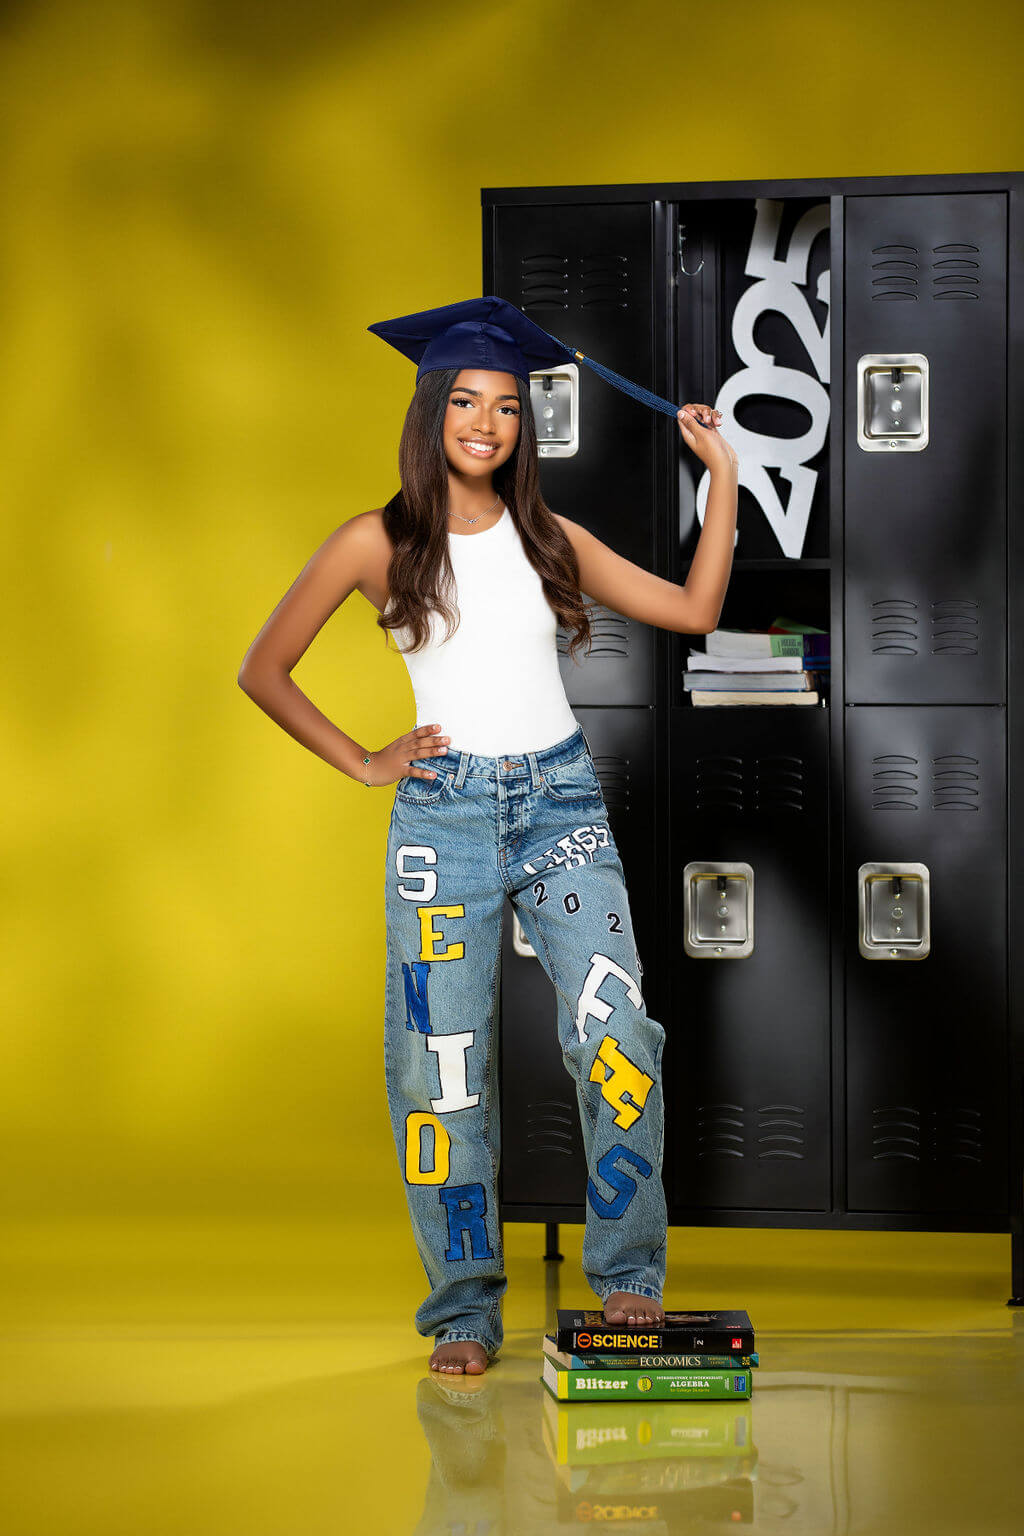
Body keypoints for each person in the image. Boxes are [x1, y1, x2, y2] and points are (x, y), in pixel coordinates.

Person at [238, 297, 739, 1376]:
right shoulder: (374, 543)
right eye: (465, 401)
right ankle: (464, 1309)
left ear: (523, 427)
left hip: (561, 806)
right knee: (441, 1072)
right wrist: (369, 760)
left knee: (616, 1040)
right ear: (430, 415)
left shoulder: (548, 536)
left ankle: (628, 1281)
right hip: (445, 820)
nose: (486, 421)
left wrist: (723, 477)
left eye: (506, 407)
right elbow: (263, 669)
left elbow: (694, 611)